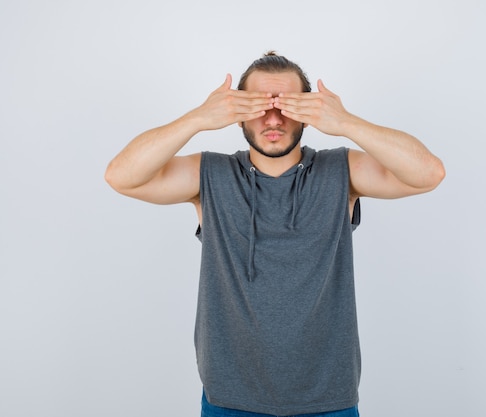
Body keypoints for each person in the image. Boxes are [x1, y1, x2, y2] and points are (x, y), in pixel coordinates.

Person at [105, 51, 445, 417]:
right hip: (229, 399)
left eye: (287, 105)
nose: (273, 119)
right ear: (238, 116)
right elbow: (120, 176)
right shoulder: (212, 175)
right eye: (258, 105)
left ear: (308, 113)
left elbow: (429, 173)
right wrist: (198, 118)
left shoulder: (340, 171)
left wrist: (347, 122)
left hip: (328, 399)